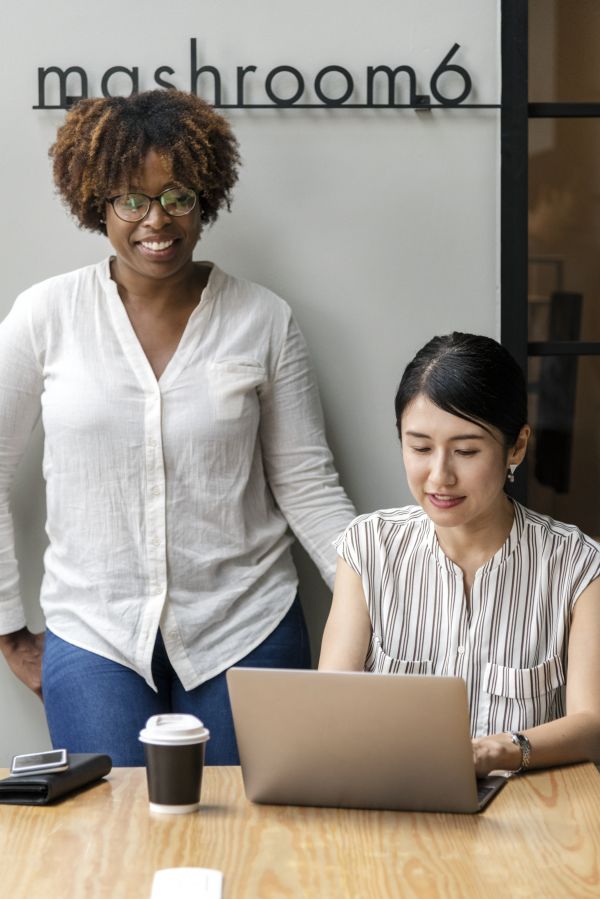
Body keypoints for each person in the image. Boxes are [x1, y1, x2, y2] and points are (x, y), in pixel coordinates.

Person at [0, 89, 356, 765]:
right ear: (96, 203)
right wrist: (8, 631)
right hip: (95, 634)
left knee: (247, 850)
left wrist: (386, 606)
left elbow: (308, 487)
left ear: (207, 196)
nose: (155, 219)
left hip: (247, 628)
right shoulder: (46, 316)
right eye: (131, 199)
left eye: (178, 195)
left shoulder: (263, 319)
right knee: (113, 846)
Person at [319, 332, 600, 777]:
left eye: (466, 450)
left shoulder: (578, 567)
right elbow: (330, 704)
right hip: (394, 802)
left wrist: (495, 753)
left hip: (527, 814)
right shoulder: (368, 548)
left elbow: (591, 726)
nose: (439, 476)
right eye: (420, 448)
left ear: (517, 447)